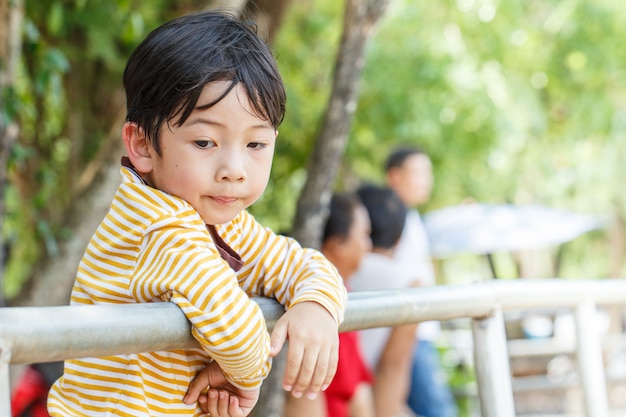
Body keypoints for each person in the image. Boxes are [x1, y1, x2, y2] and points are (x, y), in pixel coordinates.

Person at [47, 11, 347, 417]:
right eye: (205, 142)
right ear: (143, 145)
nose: (234, 169)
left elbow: (306, 265)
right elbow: (239, 335)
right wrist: (247, 378)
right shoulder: (158, 226)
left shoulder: (224, 223)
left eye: (256, 145)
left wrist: (316, 307)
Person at [283, 192, 375, 417]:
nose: (369, 246)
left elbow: (359, 393)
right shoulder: (312, 307)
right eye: (364, 235)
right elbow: (302, 397)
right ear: (337, 245)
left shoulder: (343, 296)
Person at [385, 146, 457, 417]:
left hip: (419, 331)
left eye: (428, 172)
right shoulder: (391, 219)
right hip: (409, 333)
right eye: (418, 172)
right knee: (435, 409)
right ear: (395, 176)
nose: (426, 179)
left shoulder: (411, 217)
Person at [350, 184, 419, 417]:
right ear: (399, 238)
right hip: (358, 397)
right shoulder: (409, 282)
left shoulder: (328, 266)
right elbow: (392, 367)